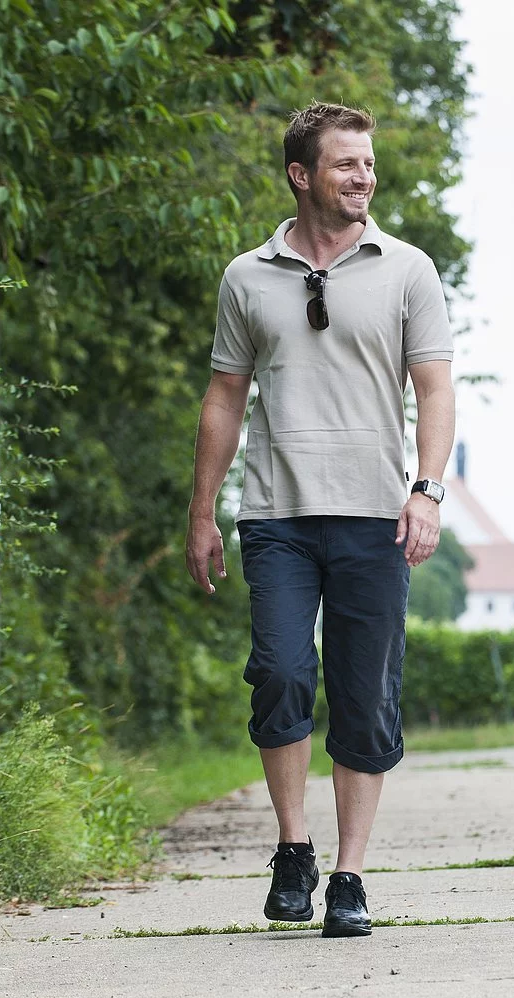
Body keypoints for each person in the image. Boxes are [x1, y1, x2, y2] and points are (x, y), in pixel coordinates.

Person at [185, 101, 456, 938]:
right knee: (279, 671)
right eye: (346, 164)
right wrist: (204, 511)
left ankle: (350, 874)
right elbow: (225, 396)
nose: (364, 177)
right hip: (276, 512)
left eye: (368, 164)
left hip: (376, 513)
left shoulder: (407, 269)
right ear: (302, 175)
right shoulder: (247, 276)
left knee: (366, 694)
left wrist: (428, 488)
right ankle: (294, 849)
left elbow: (436, 387)